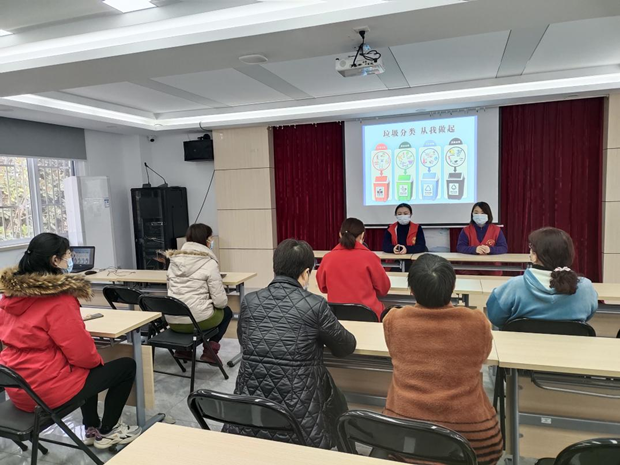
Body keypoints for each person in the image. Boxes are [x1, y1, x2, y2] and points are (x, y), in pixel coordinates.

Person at [0, 233, 141, 450]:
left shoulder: (9, 297)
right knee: (123, 366)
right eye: (67, 256)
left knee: (85, 367)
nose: (70, 260)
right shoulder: (58, 299)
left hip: (19, 388)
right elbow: (82, 353)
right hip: (45, 392)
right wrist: (94, 360)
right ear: (54, 260)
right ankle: (108, 431)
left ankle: (91, 427)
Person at [228, 239, 356, 449]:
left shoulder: (249, 301)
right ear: (306, 273)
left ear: (275, 268)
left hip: (249, 412)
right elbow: (345, 347)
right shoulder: (315, 305)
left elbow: (245, 341)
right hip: (300, 416)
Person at [383, 254, 503, 465]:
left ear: (411, 290)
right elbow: (483, 355)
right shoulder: (477, 322)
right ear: (452, 287)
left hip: (406, 439)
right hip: (475, 442)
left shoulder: (394, 320)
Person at [486, 227, 598, 328]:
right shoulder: (585, 288)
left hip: (522, 344)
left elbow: (495, 317)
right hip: (570, 344)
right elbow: (587, 315)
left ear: (534, 256)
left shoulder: (514, 286)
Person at [166, 223, 233, 364]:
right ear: (206, 240)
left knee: (194, 311)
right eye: (211, 237)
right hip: (198, 321)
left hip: (173, 320)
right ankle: (210, 350)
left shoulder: (173, 262)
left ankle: (183, 350)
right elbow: (220, 302)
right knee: (226, 312)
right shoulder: (209, 263)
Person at [317, 218, 391, 320]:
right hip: (369, 315)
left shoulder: (327, 258)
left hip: (337, 317)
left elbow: (323, 288)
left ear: (340, 234)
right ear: (362, 235)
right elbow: (383, 289)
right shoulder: (370, 257)